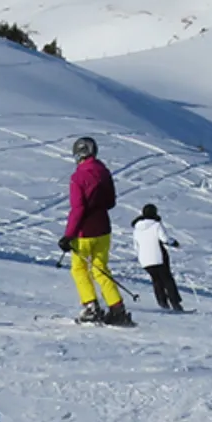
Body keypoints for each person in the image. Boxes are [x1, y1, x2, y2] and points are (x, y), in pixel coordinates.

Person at [59, 137, 129, 326]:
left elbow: (78, 208)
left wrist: (69, 235)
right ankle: (117, 308)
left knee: (79, 268)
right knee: (101, 268)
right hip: (103, 228)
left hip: (84, 231)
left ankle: (91, 307)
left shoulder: (78, 177)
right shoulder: (104, 172)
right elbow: (111, 202)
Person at [132, 203, 183, 312]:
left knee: (156, 280)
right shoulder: (156, 225)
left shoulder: (137, 229)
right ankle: (175, 303)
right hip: (159, 257)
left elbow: (136, 247)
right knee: (167, 279)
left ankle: (162, 303)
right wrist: (174, 243)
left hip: (145, 261)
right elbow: (165, 239)